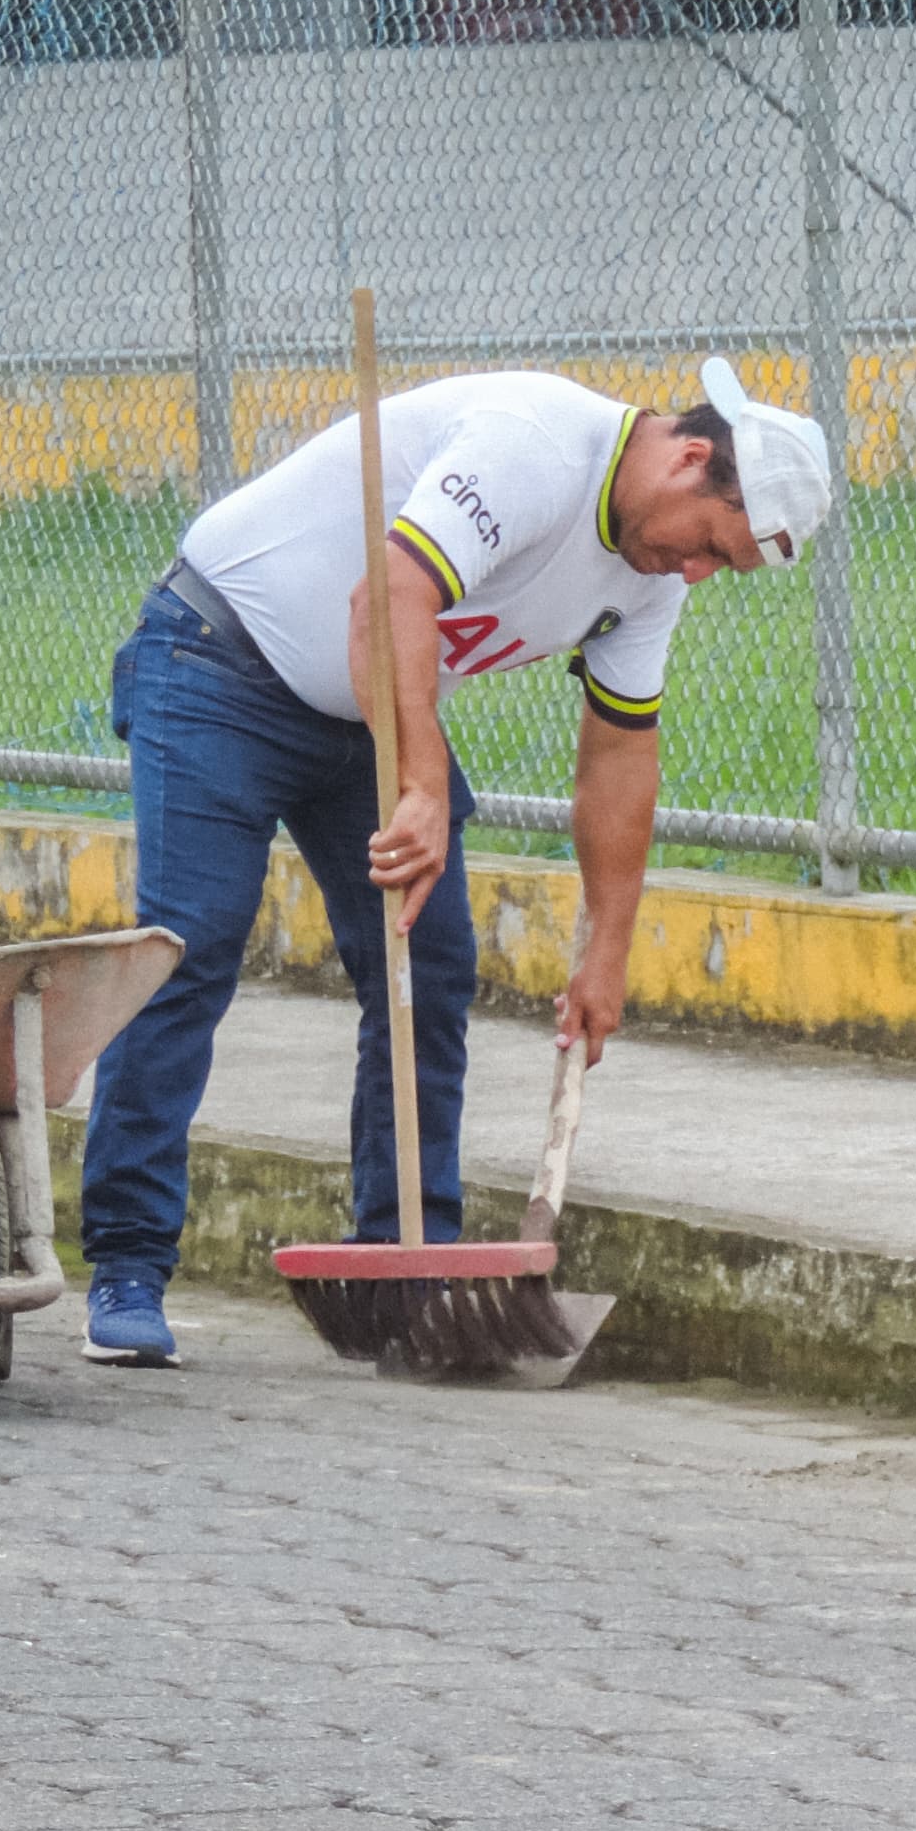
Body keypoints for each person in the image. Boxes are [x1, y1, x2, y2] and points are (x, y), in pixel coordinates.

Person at [76, 357, 831, 1366]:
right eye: (709, 547)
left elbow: (619, 759)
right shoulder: (534, 443)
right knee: (192, 945)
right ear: (691, 460)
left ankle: (406, 1271)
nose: (696, 575)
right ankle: (126, 1264)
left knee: (426, 968)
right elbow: (385, 598)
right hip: (218, 662)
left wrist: (606, 953)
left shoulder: (648, 581)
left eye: (721, 569)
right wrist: (422, 783)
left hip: (368, 711)